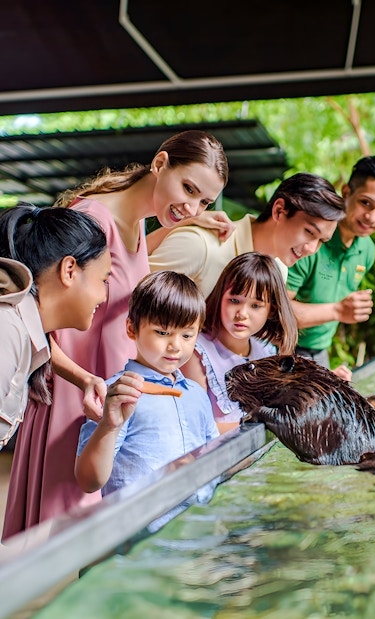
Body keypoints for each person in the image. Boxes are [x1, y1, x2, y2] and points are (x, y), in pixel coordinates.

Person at [2, 129, 229, 540]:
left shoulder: (138, 224)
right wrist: (83, 379)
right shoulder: (91, 217)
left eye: (204, 201)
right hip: (76, 399)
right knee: (63, 538)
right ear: (160, 164)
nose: (192, 205)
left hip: (113, 396)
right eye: (189, 189)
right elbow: (35, 316)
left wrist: (192, 221)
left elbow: (127, 268)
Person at [75, 270, 219, 531]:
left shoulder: (197, 394)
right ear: (132, 328)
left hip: (196, 531)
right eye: (162, 333)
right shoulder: (116, 394)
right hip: (139, 537)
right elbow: (88, 480)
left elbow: (213, 461)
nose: (176, 345)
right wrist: (109, 423)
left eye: (187, 335)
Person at [0, 203, 110, 448]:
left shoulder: (23, 332)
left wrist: (86, 380)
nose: (104, 296)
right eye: (104, 280)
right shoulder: (8, 330)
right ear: (69, 270)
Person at [286, 156, 375, 378]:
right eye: (365, 203)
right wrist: (339, 310)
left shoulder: (367, 250)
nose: (372, 217)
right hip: (279, 349)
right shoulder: (312, 239)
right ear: (346, 192)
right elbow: (275, 312)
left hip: (319, 352)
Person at [148, 172, 346, 297]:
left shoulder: (278, 272)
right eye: (309, 232)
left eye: (321, 241)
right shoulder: (199, 245)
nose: (312, 248)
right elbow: (129, 304)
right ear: (279, 211)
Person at [182, 252, 298, 434]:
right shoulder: (198, 353)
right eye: (234, 300)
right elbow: (195, 430)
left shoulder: (266, 351)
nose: (242, 313)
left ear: (272, 310)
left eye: (255, 305)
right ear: (220, 297)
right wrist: (265, 425)